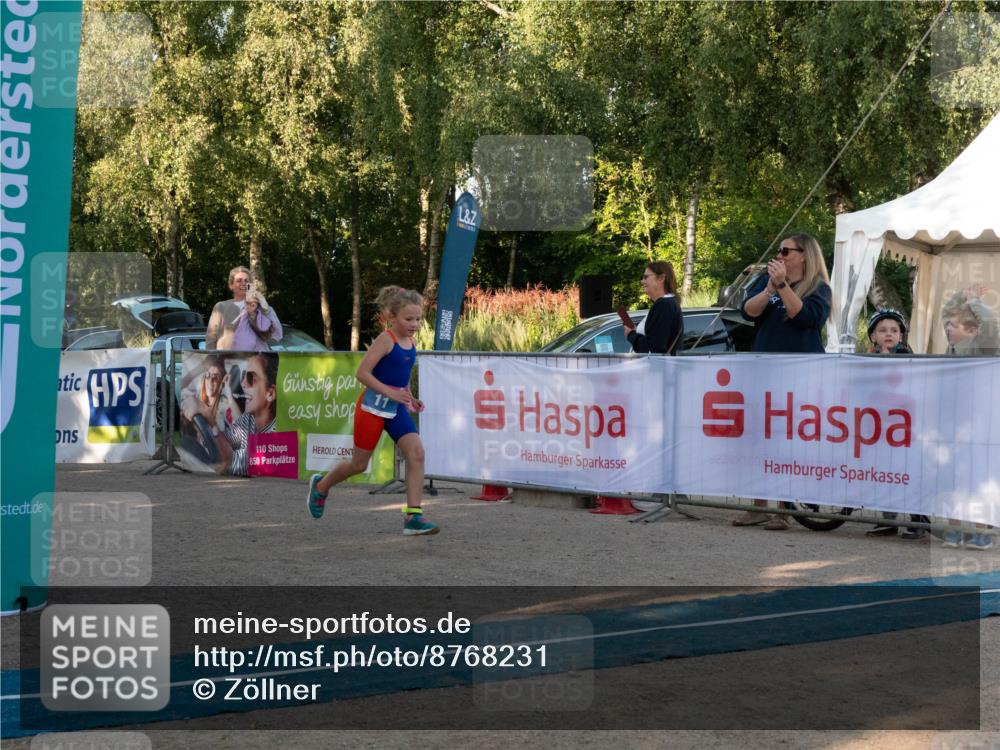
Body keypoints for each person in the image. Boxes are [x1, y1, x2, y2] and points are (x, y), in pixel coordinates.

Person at [305, 286, 438, 536]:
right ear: (391, 316)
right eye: (408, 319)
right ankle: (321, 486)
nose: (414, 324)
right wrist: (391, 393)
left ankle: (413, 518)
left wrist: (410, 398)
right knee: (358, 464)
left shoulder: (412, 342)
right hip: (371, 409)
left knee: (417, 452)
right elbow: (362, 374)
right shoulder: (385, 340)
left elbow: (401, 378)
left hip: (396, 408)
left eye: (418, 319)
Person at [733, 233, 832, 530]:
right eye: (779, 250)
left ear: (804, 255)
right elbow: (746, 311)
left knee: (787, 443)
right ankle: (758, 505)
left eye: (786, 251)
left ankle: (783, 509)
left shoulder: (819, 288)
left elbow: (802, 316)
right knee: (759, 441)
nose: (780, 255)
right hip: (764, 373)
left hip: (800, 377)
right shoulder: (771, 280)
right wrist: (767, 290)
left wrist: (783, 286)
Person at [861, 309, 928, 539]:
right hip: (879, 428)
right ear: (873, 336)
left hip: (904, 427)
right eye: (882, 330)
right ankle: (887, 519)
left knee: (908, 473)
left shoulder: (908, 358)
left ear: (901, 335)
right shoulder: (866, 361)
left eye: (894, 330)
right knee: (883, 473)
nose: (888, 334)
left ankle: (918, 519)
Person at [213, 353, 278, 476]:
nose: (243, 383)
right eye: (243, 376)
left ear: (270, 394)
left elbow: (245, 464)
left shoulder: (278, 430)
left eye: (251, 378)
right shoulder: (247, 420)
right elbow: (224, 444)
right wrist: (212, 431)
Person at [206, 266, 283, 351]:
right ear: (231, 285)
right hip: (228, 359)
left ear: (250, 285)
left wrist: (265, 309)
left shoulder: (260, 306)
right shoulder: (221, 307)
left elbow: (276, 333)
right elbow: (211, 338)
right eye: (239, 280)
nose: (243, 283)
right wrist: (211, 360)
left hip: (256, 360)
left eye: (246, 281)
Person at [623, 261, 684, 355]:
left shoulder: (664, 305)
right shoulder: (668, 303)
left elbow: (653, 348)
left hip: (656, 368)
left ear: (661, 278)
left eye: (646, 277)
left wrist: (631, 334)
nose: (642, 281)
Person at [942, 285, 999, 356]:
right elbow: (946, 312)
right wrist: (963, 294)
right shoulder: (953, 341)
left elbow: (989, 321)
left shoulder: (983, 347)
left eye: (953, 326)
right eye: (949, 324)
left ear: (971, 331)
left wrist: (973, 300)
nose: (948, 328)